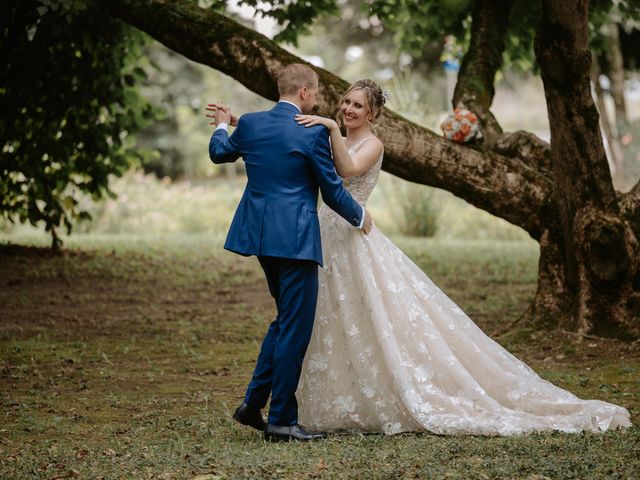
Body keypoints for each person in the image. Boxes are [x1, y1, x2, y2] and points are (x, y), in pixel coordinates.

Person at [211, 77, 632, 436]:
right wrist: (238, 123)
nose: (347, 108)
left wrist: (329, 132)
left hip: (350, 233)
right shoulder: (316, 132)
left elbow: (346, 174)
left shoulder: (368, 143)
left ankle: (279, 405)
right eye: (345, 102)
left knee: (355, 316)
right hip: (316, 232)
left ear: (373, 114)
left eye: (357, 105)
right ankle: (276, 405)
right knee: (304, 320)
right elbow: (281, 141)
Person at [207, 64, 372, 442]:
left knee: (284, 321)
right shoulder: (311, 130)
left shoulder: (248, 123)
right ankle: (281, 420)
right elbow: (332, 190)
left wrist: (221, 122)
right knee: (295, 330)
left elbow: (219, 152)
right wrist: (359, 215)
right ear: (304, 93)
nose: (315, 100)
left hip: (261, 238)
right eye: (314, 93)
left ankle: (252, 405)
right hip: (296, 241)